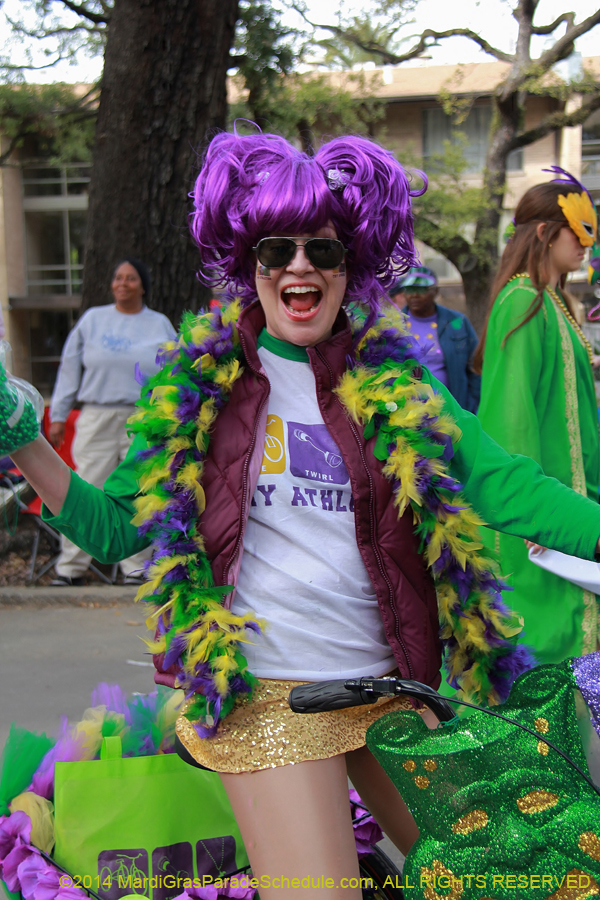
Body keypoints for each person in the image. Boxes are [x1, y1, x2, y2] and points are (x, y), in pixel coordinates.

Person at [5, 132, 600, 897]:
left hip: (390, 689)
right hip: (267, 699)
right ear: (247, 265)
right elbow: (117, 528)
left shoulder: (398, 383)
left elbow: (502, 483)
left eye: (322, 250)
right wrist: (23, 441)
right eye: (275, 250)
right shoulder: (198, 390)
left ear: (350, 265)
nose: (299, 267)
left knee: (505, 876)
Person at [474, 171, 600, 665]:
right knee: (546, 650)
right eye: (580, 231)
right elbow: (511, 417)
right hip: (541, 516)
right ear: (546, 232)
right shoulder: (523, 301)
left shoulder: (552, 301)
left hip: (571, 502)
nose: (588, 244)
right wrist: (533, 513)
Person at [48, 258, 176, 586]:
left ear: (143, 286)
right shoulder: (93, 320)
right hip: (97, 414)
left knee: (141, 488)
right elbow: (69, 368)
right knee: (85, 485)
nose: (122, 283)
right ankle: (71, 568)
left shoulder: (159, 323)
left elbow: (176, 370)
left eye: (131, 278)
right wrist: (59, 414)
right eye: (118, 278)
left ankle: (136, 569)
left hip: (145, 418)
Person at [389, 266, 481, 412]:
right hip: (408, 413)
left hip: (452, 409)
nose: (414, 295)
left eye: (421, 290)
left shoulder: (456, 322)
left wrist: (471, 406)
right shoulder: (394, 325)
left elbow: (475, 366)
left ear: (435, 291)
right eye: (410, 289)